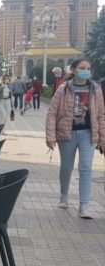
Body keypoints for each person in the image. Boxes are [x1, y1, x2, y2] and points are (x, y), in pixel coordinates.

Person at [46, 58, 105, 219]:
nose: (86, 71)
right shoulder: (63, 89)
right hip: (67, 134)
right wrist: (50, 136)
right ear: (73, 70)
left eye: (88, 68)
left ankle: (84, 206)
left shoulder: (96, 89)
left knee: (86, 168)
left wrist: (102, 139)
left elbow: (101, 115)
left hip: (88, 134)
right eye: (82, 68)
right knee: (66, 167)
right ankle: (64, 195)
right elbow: (52, 113)